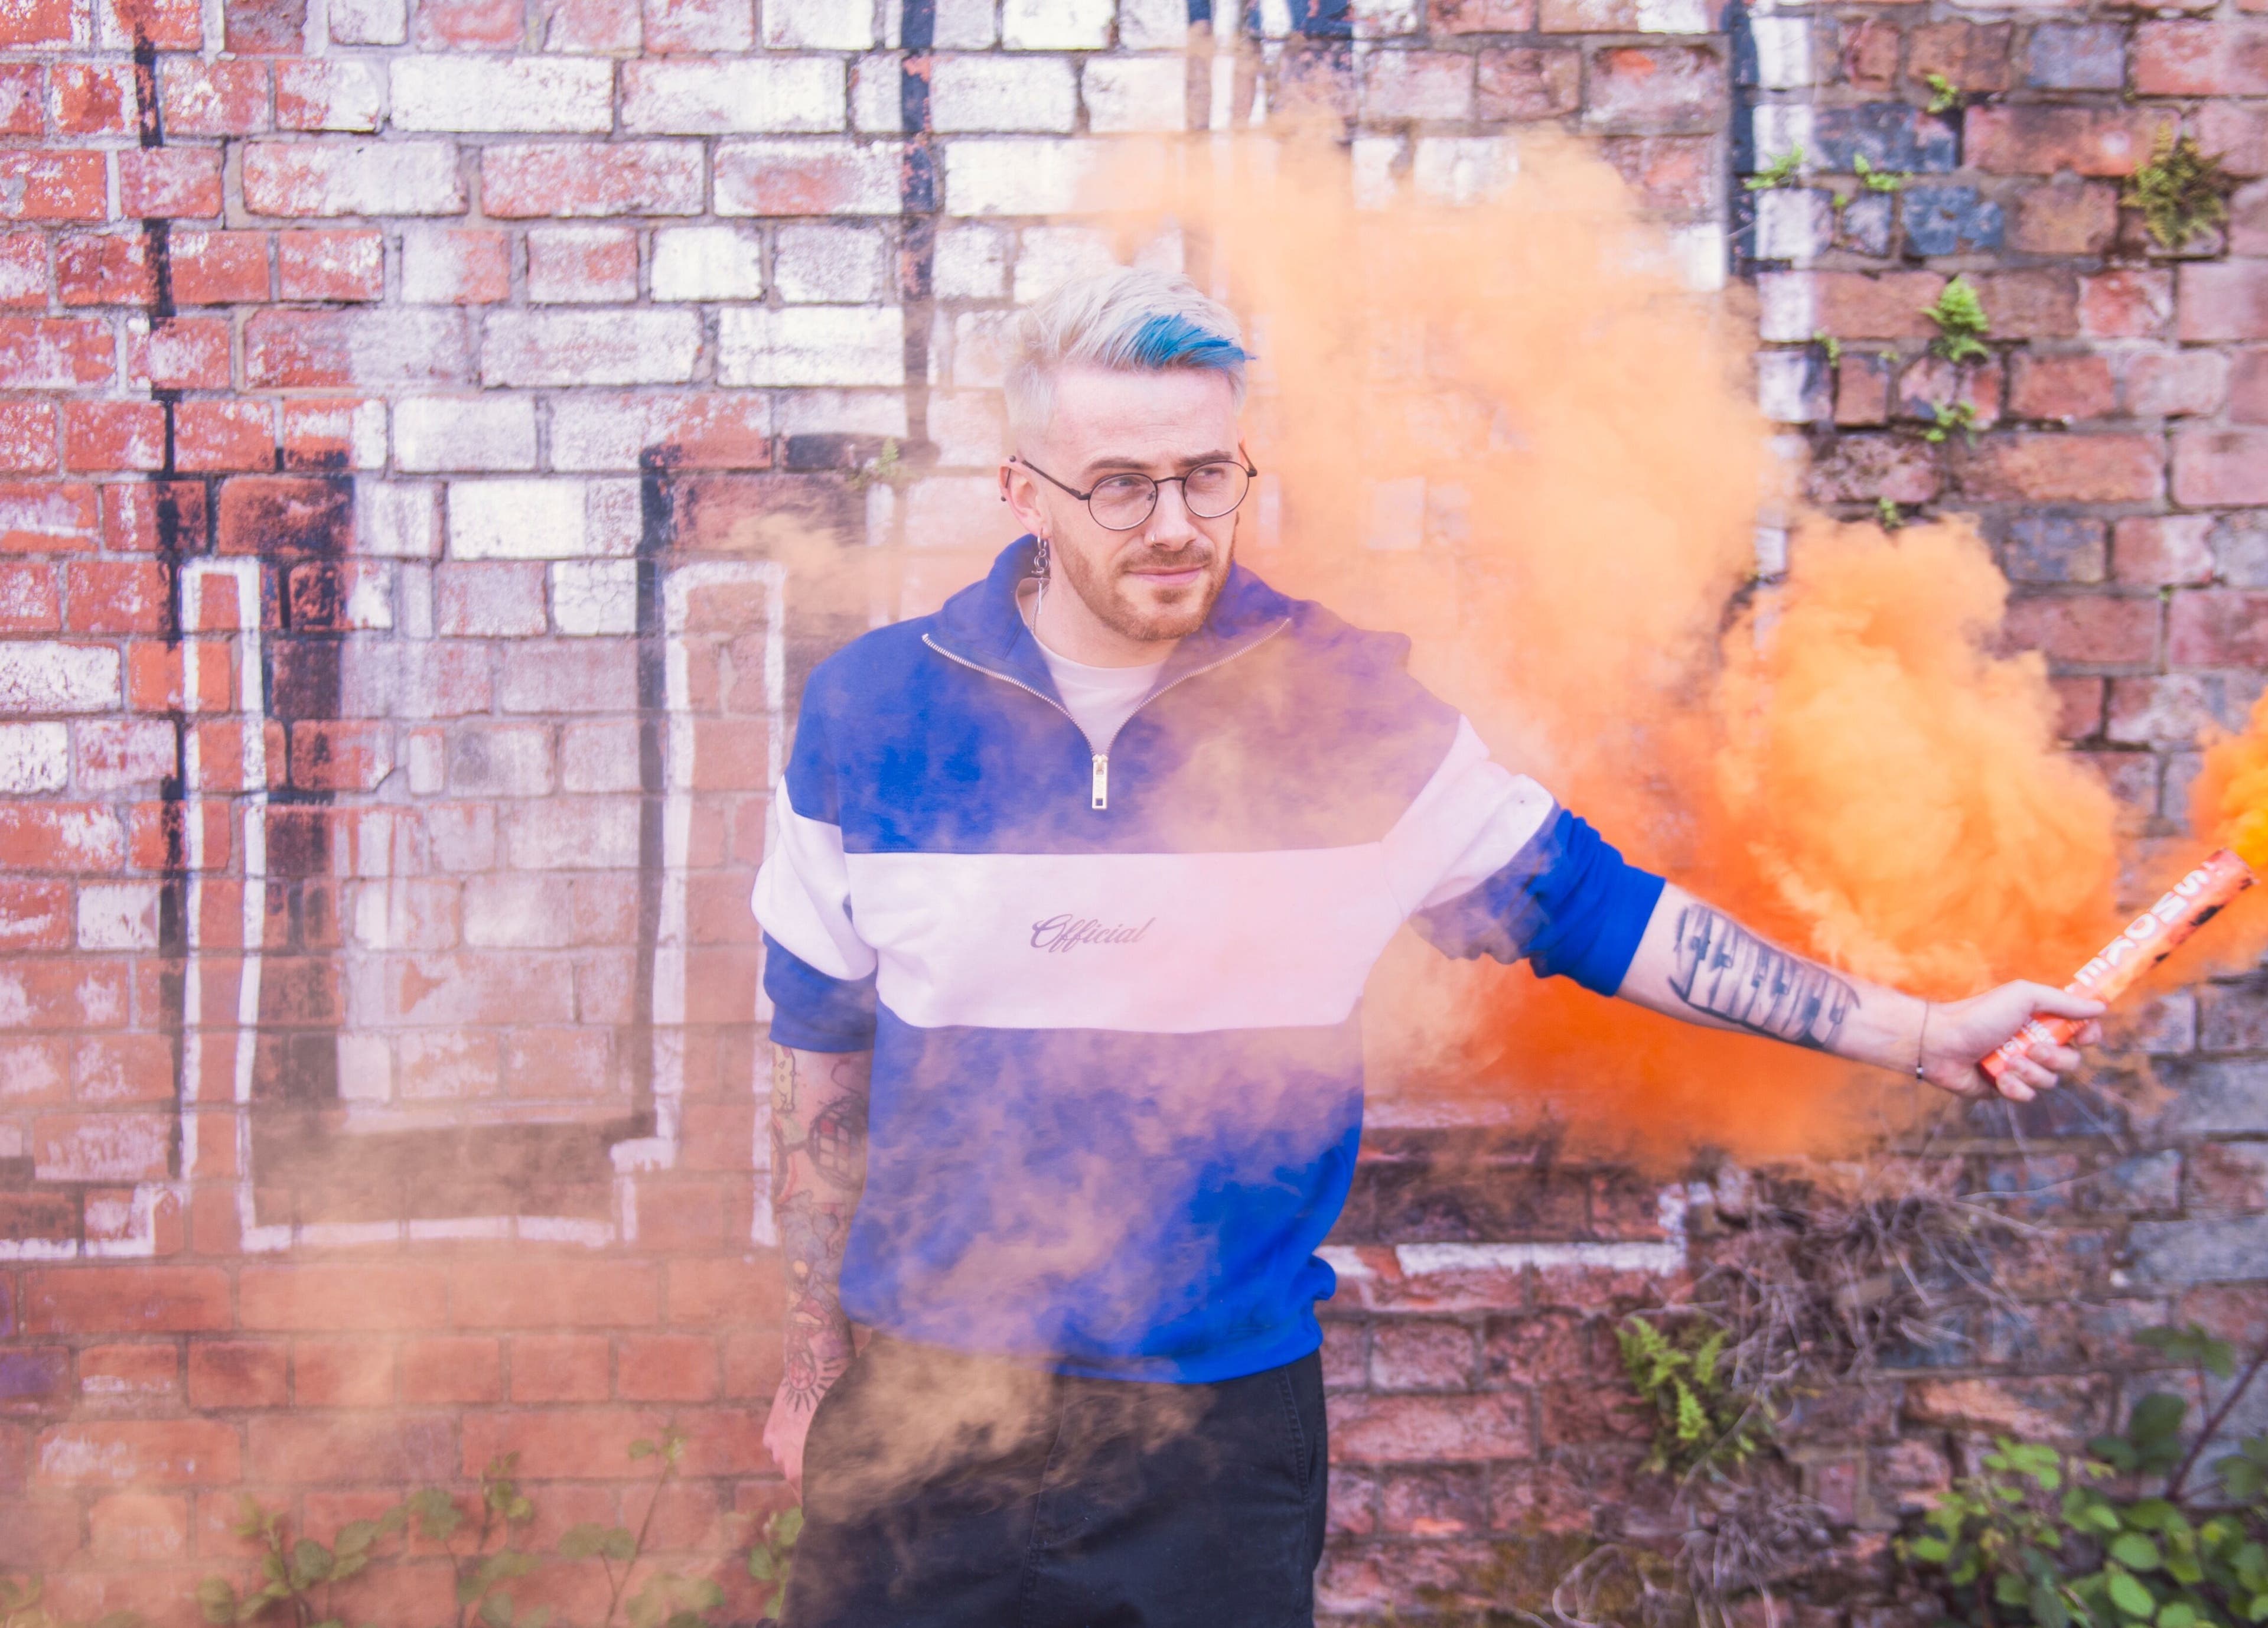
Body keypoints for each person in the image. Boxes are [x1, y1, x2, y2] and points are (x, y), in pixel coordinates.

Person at [748, 267, 2103, 1627]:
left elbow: (1599, 911)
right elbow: (818, 1061)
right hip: (921, 1414)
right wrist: (813, 1364)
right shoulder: (873, 715)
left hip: (1209, 1448)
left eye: (1207, 476)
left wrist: (1918, 1030)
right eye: (1119, 484)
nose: (1173, 525)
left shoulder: (1344, 710)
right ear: (1021, 489)